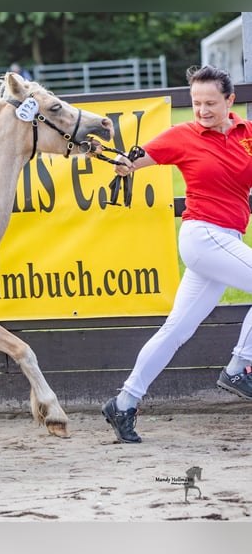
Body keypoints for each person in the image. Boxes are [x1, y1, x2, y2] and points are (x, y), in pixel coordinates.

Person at [101, 64, 252, 443]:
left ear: (230, 101)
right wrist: (123, 164)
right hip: (203, 235)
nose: (202, 110)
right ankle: (240, 366)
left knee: (176, 330)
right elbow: (135, 159)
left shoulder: (247, 135)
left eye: (211, 103)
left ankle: (123, 403)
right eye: (196, 102)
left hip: (225, 242)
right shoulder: (183, 136)